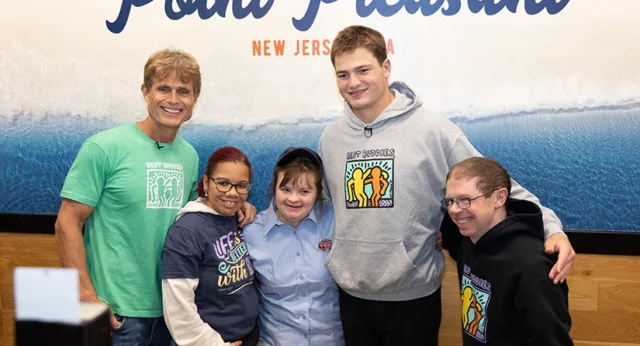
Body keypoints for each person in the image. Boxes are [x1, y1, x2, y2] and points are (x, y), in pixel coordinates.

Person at [317, 25, 576, 345]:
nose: (353, 83)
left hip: (413, 296)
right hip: (350, 295)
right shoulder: (331, 139)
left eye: (363, 70)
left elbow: (504, 189)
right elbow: (321, 201)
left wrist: (553, 229)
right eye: (343, 75)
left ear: (385, 67)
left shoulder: (433, 131)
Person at [54, 49, 255, 346]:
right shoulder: (103, 148)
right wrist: (86, 295)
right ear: (145, 91)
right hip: (116, 313)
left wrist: (239, 202)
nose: (173, 100)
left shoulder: (188, 155)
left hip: (172, 311)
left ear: (194, 100)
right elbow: (66, 223)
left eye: (183, 91)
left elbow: (196, 213)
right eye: (163, 88)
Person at [441, 157, 573, 345]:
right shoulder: (470, 240)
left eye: (465, 200)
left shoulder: (532, 267)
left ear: (499, 198)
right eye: (451, 201)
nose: (454, 210)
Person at [243, 147, 344, 346]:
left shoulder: (336, 219)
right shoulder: (251, 230)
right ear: (274, 187)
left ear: (317, 193)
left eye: (305, 191)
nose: (293, 199)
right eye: (285, 189)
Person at [162, 146, 259, 346]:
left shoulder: (236, 218)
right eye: (223, 183)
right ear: (206, 182)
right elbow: (178, 309)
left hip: (248, 335)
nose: (232, 193)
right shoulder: (186, 232)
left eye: (241, 185)